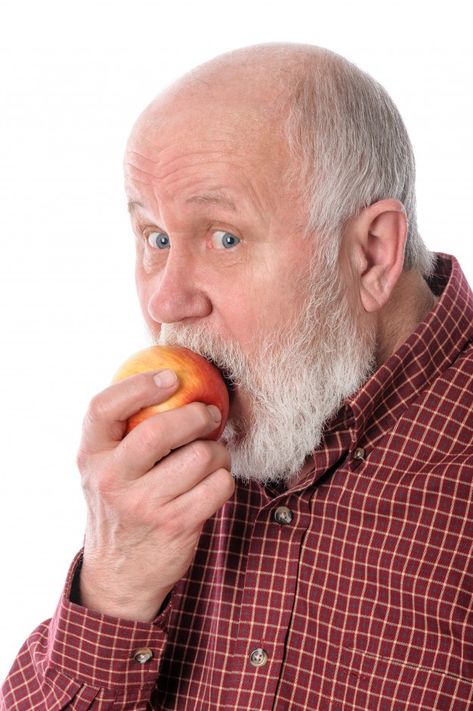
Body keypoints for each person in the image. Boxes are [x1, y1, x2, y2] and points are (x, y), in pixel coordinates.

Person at [2, 42, 472, 711]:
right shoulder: (167, 478)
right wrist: (112, 590)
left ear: (370, 253)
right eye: (156, 239)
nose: (165, 304)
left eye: (223, 237)